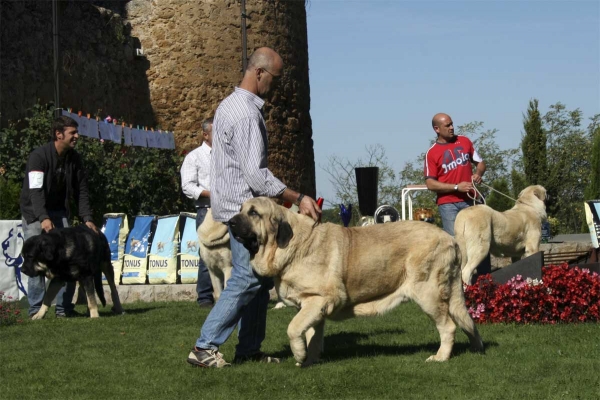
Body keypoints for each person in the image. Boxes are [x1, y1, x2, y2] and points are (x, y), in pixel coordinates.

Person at [187, 47, 321, 368]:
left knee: (260, 281)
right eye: (274, 78)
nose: (275, 85)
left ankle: (249, 350)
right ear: (259, 73)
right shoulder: (246, 113)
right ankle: (204, 347)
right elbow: (255, 174)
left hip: (232, 207)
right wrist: (296, 196)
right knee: (247, 279)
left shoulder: (227, 105)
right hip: (244, 212)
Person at [20, 115, 97, 318]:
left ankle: (64, 309)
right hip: (35, 213)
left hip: (59, 212)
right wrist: (43, 218)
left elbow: (82, 190)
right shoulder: (38, 156)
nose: (77, 136)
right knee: (37, 259)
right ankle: (36, 310)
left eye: (76, 132)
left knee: (69, 260)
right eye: (72, 133)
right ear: (58, 134)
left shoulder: (74, 158)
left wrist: (86, 218)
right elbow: (35, 192)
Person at [424, 113, 487, 236]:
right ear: (437, 129)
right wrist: (457, 187)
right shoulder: (431, 153)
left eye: (452, 124)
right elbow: (430, 184)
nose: (451, 127)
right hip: (448, 204)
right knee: (455, 241)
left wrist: (478, 174)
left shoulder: (464, 141)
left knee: (478, 237)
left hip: (470, 199)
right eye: (447, 125)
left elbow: (481, 163)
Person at [180, 117, 215, 308]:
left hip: (229, 209)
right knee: (206, 254)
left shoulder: (228, 155)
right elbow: (187, 186)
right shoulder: (194, 157)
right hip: (206, 209)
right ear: (205, 134)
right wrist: (212, 194)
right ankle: (204, 297)